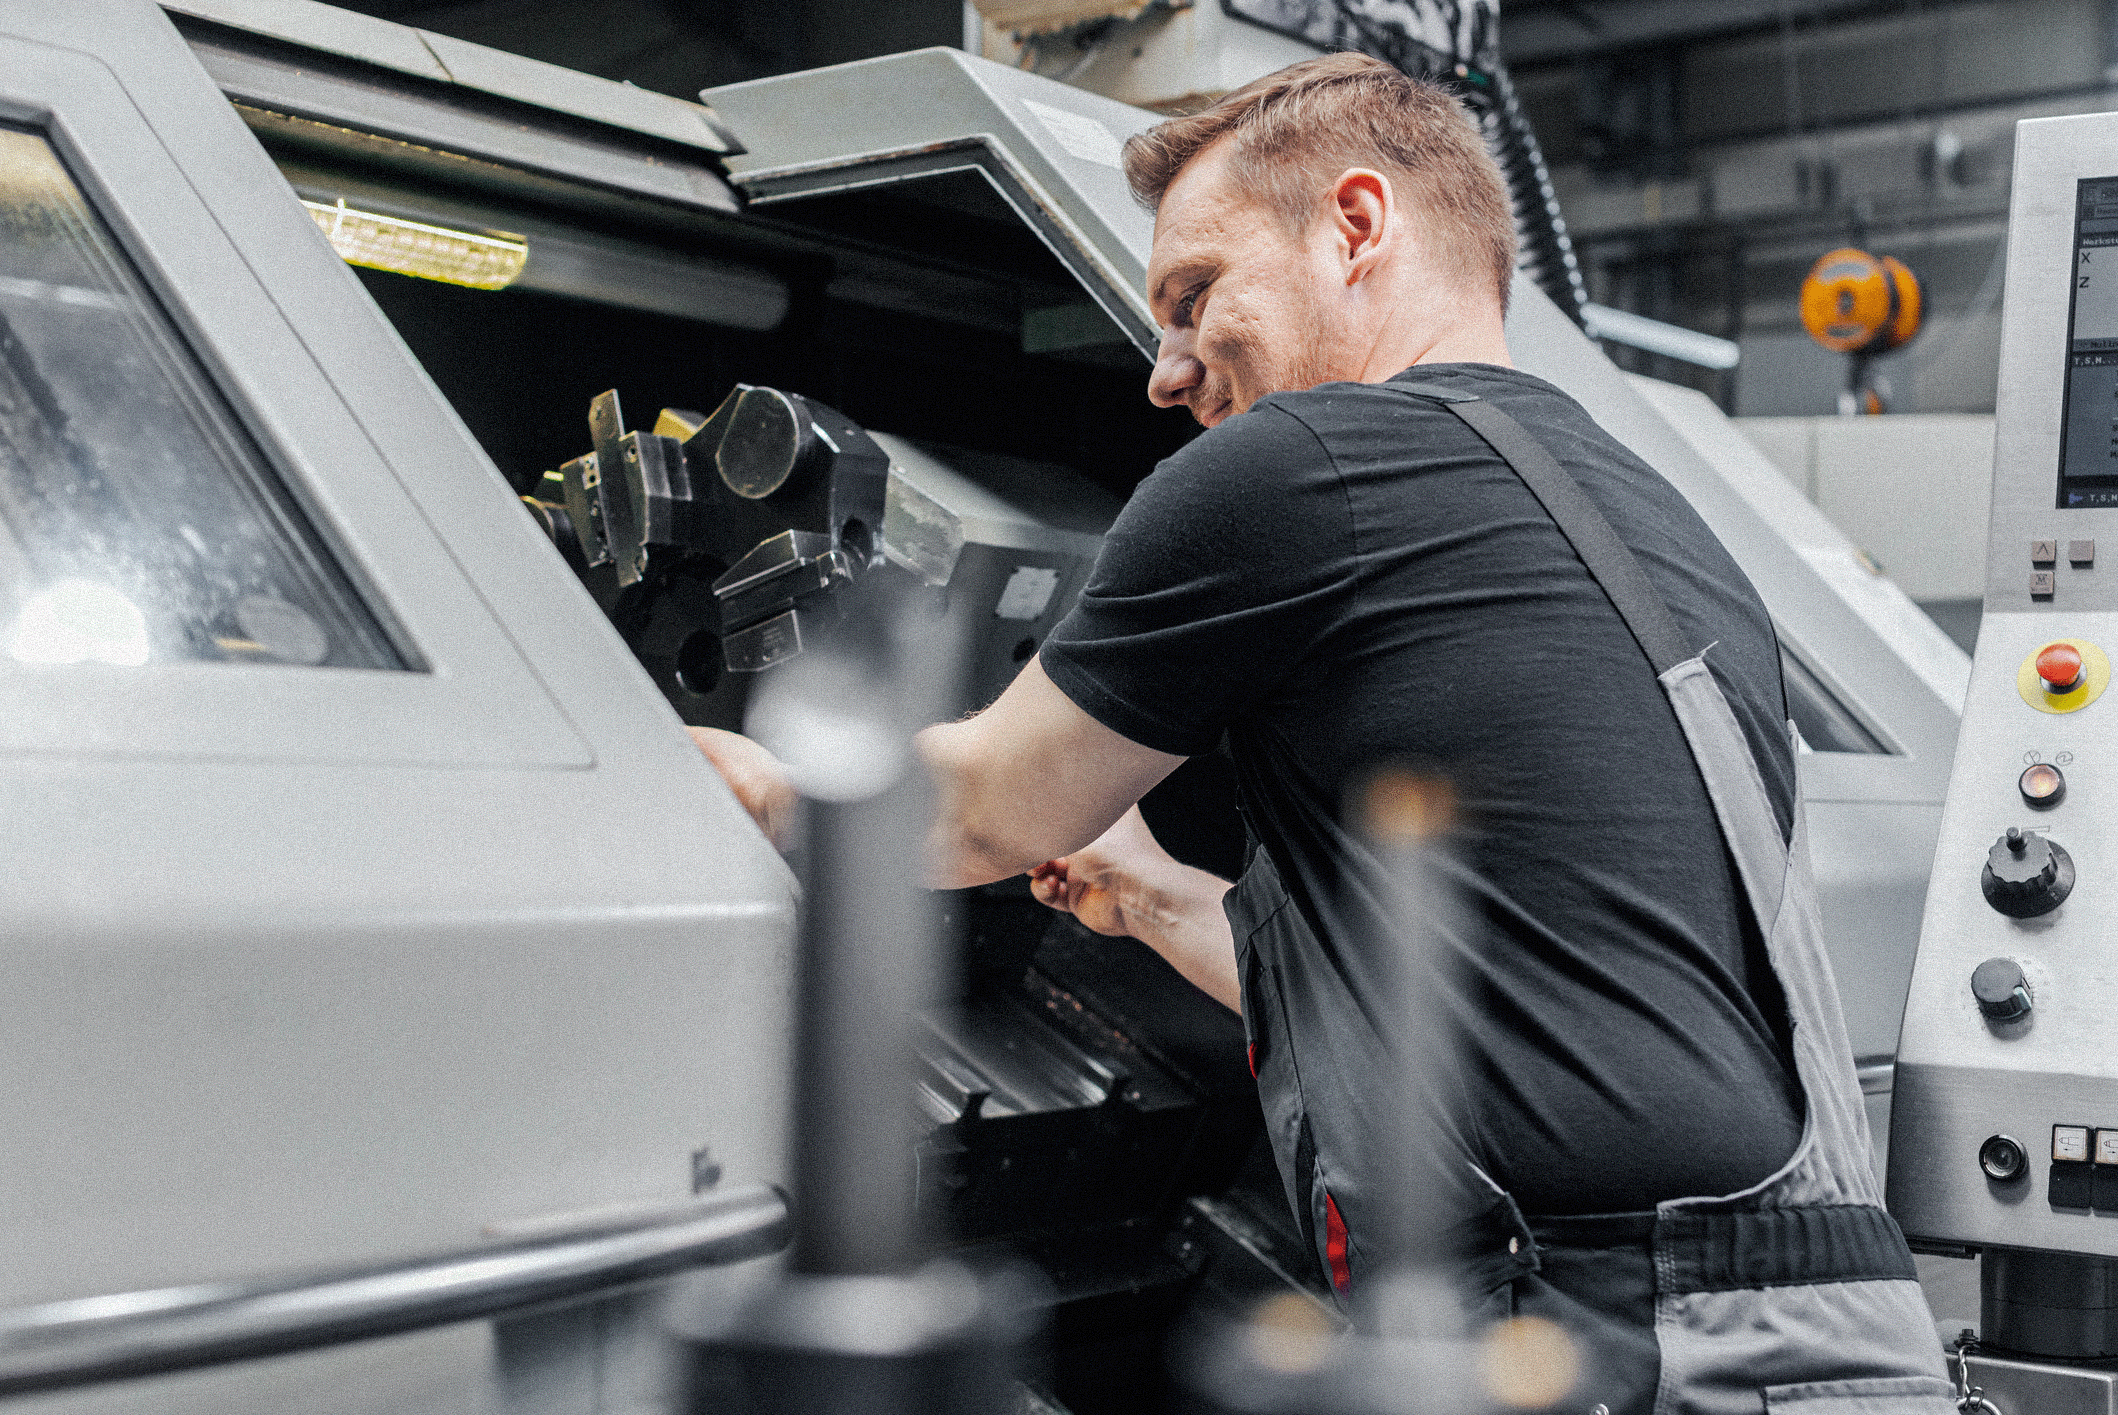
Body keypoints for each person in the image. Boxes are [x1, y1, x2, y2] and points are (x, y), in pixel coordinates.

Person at [695, 52, 1956, 1415]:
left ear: (1356, 226)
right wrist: (1167, 901)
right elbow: (1529, 976)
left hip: (1615, 1343)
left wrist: (743, 779)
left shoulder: (1300, 465)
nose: (1162, 374)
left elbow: (974, 814)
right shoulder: (1650, 514)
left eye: (1191, 299)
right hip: (1834, 1337)